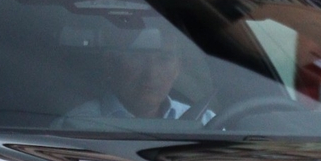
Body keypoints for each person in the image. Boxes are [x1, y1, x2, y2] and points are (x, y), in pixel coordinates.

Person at [58, 20, 217, 127]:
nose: (151, 72)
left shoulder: (207, 122)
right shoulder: (78, 123)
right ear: (111, 63)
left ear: (177, 69)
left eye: (164, 59)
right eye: (138, 57)